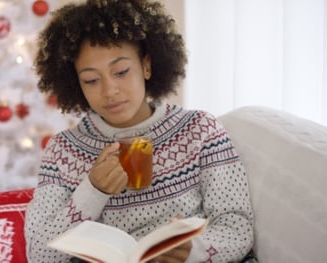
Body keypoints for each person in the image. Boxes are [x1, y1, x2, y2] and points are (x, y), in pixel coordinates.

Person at [24, 0, 254, 262]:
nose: (110, 91)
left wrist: (194, 251)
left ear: (146, 66)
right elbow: (39, 254)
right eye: (91, 80)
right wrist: (93, 190)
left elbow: (238, 226)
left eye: (121, 72)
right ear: (76, 83)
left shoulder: (201, 130)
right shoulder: (62, 151)